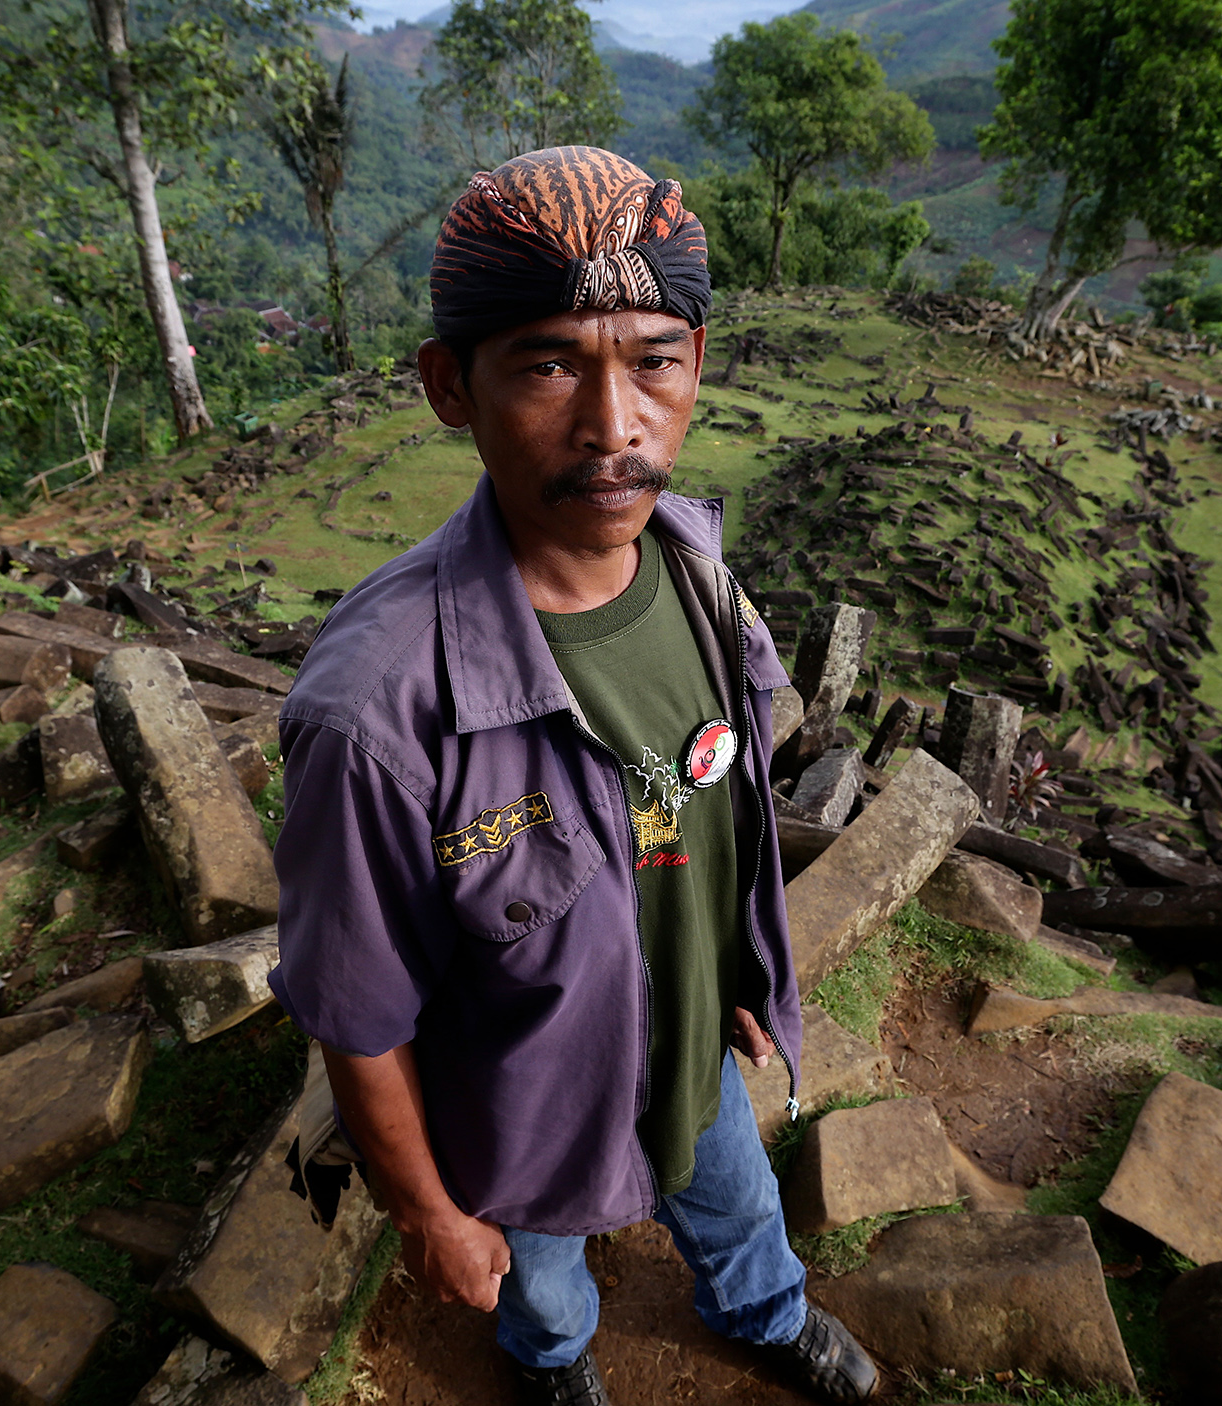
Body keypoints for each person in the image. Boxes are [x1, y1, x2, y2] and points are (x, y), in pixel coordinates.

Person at [271, 145, 877, 1406]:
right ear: (452, 385)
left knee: (739, 1195)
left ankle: (764, 1312)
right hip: (515, 1099)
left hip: (697, 1037)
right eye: (549, 363)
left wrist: (743, 962)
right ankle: (552, 1364)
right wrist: (430, 1209)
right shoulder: (379, 713)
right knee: (534, 1276)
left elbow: (714, 804)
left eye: (653, 359)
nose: (614, 424)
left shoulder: (701, 576)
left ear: (694, 366)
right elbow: (357, 1012)